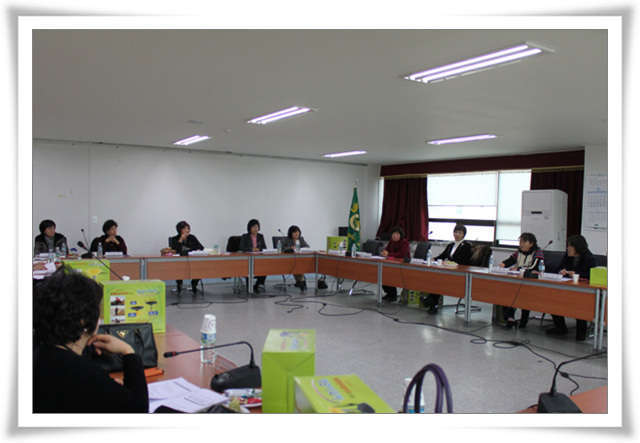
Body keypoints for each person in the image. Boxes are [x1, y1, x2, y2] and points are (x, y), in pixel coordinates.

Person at [33, 267, 148, 413]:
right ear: (84, 321)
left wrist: (108, 389)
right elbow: (138, 409)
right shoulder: (81, 373)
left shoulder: (40, 351)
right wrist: (129, 352)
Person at [546, 235, 597, 341]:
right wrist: (561, 271)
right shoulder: (567, 255)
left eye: (569, 246)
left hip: (583, 291)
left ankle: (581, 333)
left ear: (577, 247)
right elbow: (559, 268)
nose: (567, 248)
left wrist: (576, 273)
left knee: (580, 304)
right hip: (567, 287)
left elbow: (591, 275)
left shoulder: (589, 258)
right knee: (552, 298)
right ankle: (560, 327)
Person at [423, 224, 473, 314]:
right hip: (448, 271)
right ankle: (432, 303)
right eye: (455, 232)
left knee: (439, 280)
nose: (456, 234)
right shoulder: (451, 245)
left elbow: (464, 261)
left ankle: (431, 302)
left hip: (459, 273)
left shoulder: (467, 246)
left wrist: (449, 263)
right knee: (435, 278)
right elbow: (443, 255)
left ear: (463, 235)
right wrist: (434, 259)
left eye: (459, 233)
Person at [499, 232, 544, 329]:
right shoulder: (518, 252)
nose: (521, 244)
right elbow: (510, 260)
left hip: (530, 282)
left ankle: (524, 320)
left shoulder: (538, 252)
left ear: (531, 243)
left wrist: (518, 268)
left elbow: (533, 267)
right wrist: (503, 264)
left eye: (524, 242)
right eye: (520, 242)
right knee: (506, 294)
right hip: (516, 280)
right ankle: (510, 319)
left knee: (525, 297)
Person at [169, 221, 205, 294]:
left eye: (188, 228)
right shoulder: (174, 239)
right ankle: (179, 284)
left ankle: (194, 284)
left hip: (193, 261)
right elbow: (174, 250)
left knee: (200, 267)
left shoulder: (192, 237)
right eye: (185, 229)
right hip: (179, 262)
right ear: (180, 230)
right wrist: (181, 240)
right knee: (178, 268)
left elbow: (201, 247)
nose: (187, 230)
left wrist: (188, 249)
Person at [381, 226, 410, 302]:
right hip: (391, 265)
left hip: (402, 266)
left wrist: (389, 254)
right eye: (393, 234)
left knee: (390, 276)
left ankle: (393, 295)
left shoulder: (405, 243)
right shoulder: (391, 242)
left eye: (397, 234)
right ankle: (390, 294)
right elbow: (387, 250)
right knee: (383, 275)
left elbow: (401, 254)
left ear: (401, 235)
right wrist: (384, 252)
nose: (394, 236)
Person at [239, 219, 267, 293]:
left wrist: (259, 249)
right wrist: (252, 249)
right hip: (247, 260)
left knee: (265, 268)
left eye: (257, 227)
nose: (255, 229)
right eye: (253, 227)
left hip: (259, 259)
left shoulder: (260, 236)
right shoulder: (245, 236)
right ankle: (249, 287)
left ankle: (257, 285)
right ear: (249, 228)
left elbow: (264, 248)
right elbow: (242, 248)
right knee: (249, 269)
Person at [281, 225, 310, 292]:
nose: (296, 233)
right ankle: (301, 281)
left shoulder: (301, 239)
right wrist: (290, 248)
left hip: (299, 260)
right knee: (297, 265)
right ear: (290, 233)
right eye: (294, 232)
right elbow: (282, 249)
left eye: (297, 232)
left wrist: (301, 248)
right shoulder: (286, 240)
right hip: (287, 260)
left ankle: (300, 281)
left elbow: (307, 247)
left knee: (298, 265)